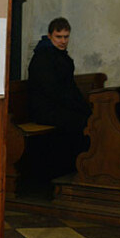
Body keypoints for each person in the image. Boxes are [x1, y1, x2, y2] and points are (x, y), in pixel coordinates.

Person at [26, 17, 91, 177]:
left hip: (57, 105)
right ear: (49, 36)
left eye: (66, 37)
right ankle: (69, 168)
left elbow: (69, 86)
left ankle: (81, 165)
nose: (63, 41)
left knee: (89, 118)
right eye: (59, 37)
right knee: (78, 122)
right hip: (44, 108)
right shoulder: (43, 57)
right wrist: (75, 106)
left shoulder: (62, 57)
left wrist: (84, 106)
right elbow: (51, 89)